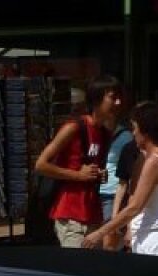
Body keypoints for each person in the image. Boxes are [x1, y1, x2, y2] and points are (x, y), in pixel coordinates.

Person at [34, 76, 123, 248]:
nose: (118, 103)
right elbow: (41, 165)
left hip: (93, 213)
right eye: (113, 97)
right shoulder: (73, 127)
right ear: (97, 99)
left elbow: (90, 169)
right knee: (76, 267)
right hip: (71, 212)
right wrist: (78, 175)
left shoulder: (105, 133)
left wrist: (98, 174)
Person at [83, 101, 158, 257]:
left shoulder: (155, 161)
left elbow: (135, 206)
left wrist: (100, 233)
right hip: (152, 237)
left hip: (156, 241)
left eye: (135, 128)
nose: (133, 133)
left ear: (146, 132)